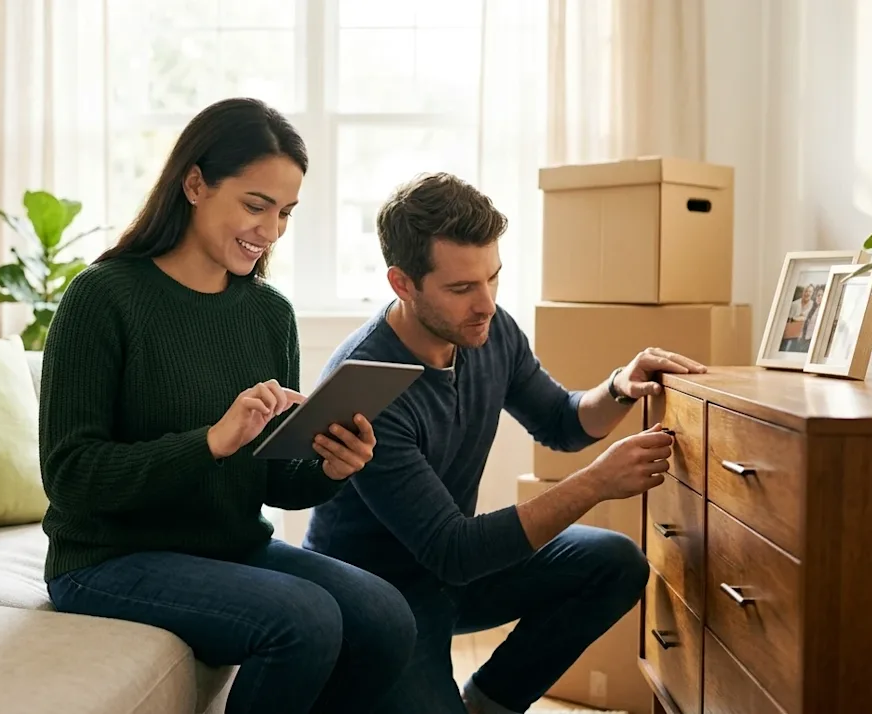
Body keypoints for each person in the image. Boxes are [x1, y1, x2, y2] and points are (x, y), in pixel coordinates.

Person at [38, 97, 416, 714]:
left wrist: (329, 467)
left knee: (386, 616)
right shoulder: (101, 298)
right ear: (194, 183)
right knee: (304, 619)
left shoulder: (269, 313)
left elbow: (274, 480)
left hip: (229, 545)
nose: (270, 232)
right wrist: (211, 442)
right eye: (255, 205)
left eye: (285, 213)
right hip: (107, 558)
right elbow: (71, 476)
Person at [303, 172, 706, 714]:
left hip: (449, 577)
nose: (486, 303)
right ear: (402, 284)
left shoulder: (488, 330)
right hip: (380, 597)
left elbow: (561, 422)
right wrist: (598, 483)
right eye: (462, 288)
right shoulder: (365, 386)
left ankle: (489, 702)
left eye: (493, 278)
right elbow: (455, 550)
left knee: (615, 562)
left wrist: (619, 385)